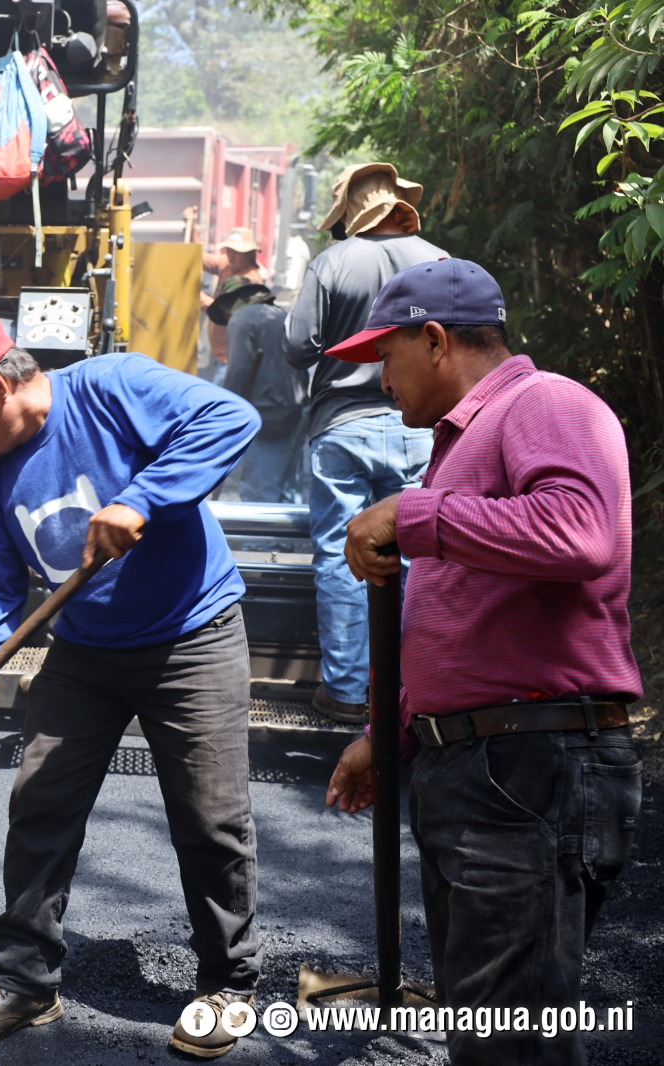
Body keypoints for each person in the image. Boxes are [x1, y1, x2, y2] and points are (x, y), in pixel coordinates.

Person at [0, 316, 264, 1058]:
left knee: (210, 818)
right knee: (40, 801)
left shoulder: (113, 385)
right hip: (86, 651)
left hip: (190, 635)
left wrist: (143, 497)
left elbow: (232, 416)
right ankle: (26, 983)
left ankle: (229, 985)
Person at [323, 258, 643, 1066]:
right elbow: (461, 621)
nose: (380, 382)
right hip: (488, 763)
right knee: (491, 1022)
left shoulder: (545, 404)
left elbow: (579, 533)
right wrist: (387, 733)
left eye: (384, 359)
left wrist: (413, 513)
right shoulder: (464, 445)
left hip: (528, 762)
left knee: (511, 1041)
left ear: (433, 340)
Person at [283, 162, 445, 724]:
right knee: (419, 549)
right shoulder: (440, 261)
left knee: (339, 552)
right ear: (400, 203)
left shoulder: (331, 262)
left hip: (342, 426)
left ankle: (348, 693)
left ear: (350, 212)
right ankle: (410, 691)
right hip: (419, 425)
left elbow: (298, 345)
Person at [211, 281, 307, 503]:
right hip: (296, 411)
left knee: (260, 491)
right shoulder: (282, 315)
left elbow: (238, 371)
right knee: (288, 493)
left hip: (268, 416)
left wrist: (226, 415)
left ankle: (258, 540)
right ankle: (284, 539)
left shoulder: (241, 318)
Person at [200, 227, 266, 382]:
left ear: (249, 254)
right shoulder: (228, 266)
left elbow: (224, 312)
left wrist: (199, 296)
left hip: (230, 361)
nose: (231, 256)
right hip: (218, 356)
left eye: (236, 252)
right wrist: (192, 228)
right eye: (229, 250)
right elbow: (201, 258)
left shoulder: (251, 281)